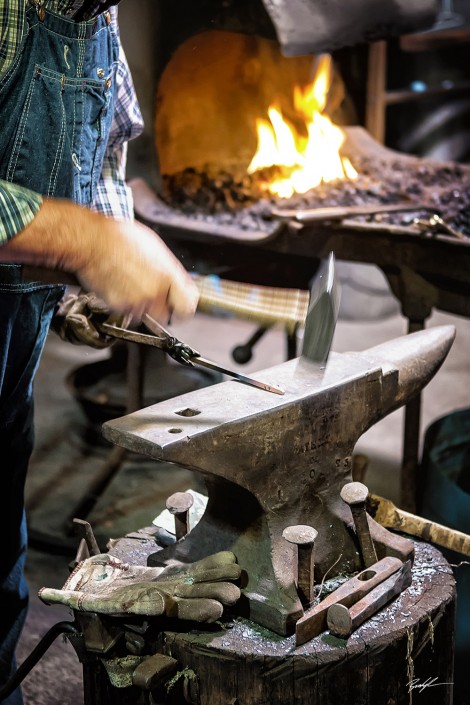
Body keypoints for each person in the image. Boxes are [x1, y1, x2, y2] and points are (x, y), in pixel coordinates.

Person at [0, 2, 199, 703]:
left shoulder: (91, 14)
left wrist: (99, 267)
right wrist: (85, 243)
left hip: (12, 322)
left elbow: (104, 142)